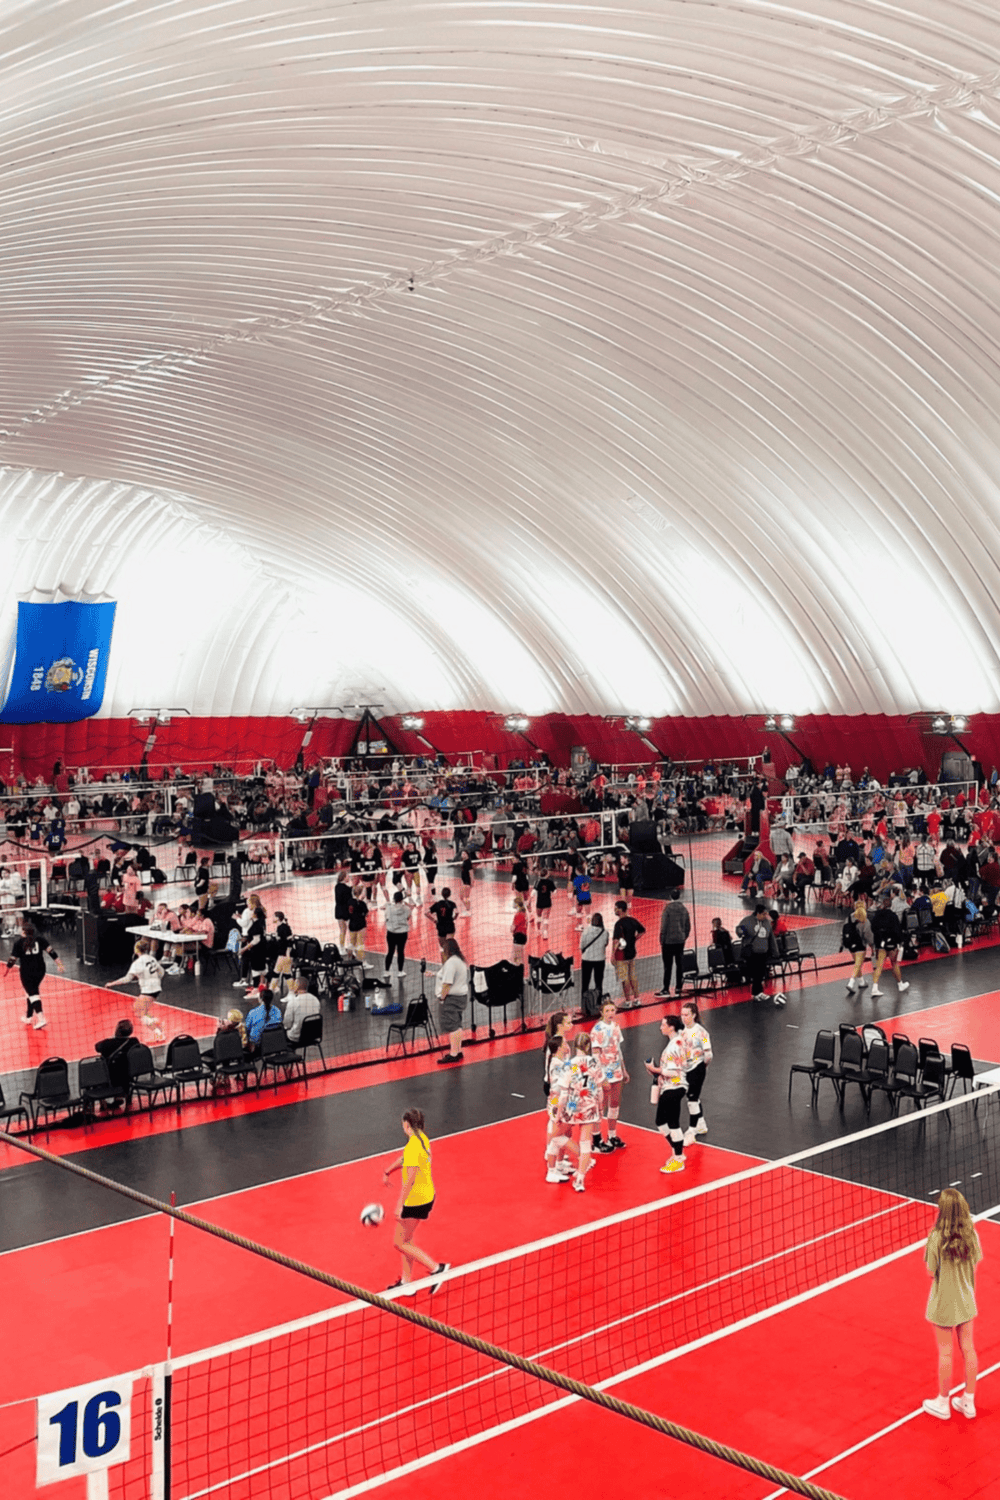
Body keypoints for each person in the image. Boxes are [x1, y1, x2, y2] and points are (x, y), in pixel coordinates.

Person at [922, 1188, 982, 1420]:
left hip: (944, 1303)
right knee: (968, 1349)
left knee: (945, 1354)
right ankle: (968, 1402)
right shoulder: (972, 1235)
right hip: (966, 1300)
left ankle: (943, 1403)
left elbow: (930, 1271)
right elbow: (974, 1264)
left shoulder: (936, 1237)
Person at [381, 1108, 449, 1294]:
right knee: (407, 1239)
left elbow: (409, 1179)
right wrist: (388, 1171)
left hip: (416, 1200)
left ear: (406, 1125)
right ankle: (407, 1282)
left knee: (400, 1242)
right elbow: (405, 1160)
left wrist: (399, 1205)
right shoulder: (422, 1139)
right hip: (427, 1195)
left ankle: (437, 1269)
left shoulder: (412, 1146)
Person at [557, 1031, 604, 1192]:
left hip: (572, 1107)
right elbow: (599, 1089)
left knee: (558, 1137)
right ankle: (580, 1180)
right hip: (590, 1106)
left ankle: (560, 1164)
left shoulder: (568, 1065)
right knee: (586, 1144)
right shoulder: (595, 1063)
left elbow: (562, 1095)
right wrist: (600, 1107)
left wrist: (558, 1114)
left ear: (574, 1045)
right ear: (589, 1045)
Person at [645, 1014, 688, 1173]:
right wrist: (655, 1072)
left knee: (672, 1122)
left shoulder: (678, 1043)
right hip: (670, 1086)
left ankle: (678, 1157)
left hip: (675, 1086)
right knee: (661, 1122)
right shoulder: (675, 1042)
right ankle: (677, 1152)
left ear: (671, 1027)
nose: (660, 1027)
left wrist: (655, 1069)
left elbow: (674, 1071)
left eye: (663, 1024)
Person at [6, 921, 64, 1030]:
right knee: (30, 992)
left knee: (33, 994)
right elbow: (52, 952)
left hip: (27, 972)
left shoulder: (18, 943)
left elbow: (12, 960)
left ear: (23, 931)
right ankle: (28, 1017)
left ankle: (41, 1018)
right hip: (40, 970)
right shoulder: (40, 939)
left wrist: (7, 969)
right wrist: (59, 964)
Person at [106, 937, 166, 1038]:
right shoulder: (152, 959)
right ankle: (156, 1023)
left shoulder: (137, 963)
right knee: (138, 1009)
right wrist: (155, 978)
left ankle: (159, 1032)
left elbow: (127, 979)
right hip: (156, 988)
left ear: (136, 950)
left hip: (148, 990)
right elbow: (162, 972)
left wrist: (112, 984)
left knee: (140, 1013)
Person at [591, 999, 629, 1152]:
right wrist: (602, 1078)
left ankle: (612, 1135)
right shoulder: (597, 1030)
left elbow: (618, 1050)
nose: (610, 1013)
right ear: (601, 1013)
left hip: (616, 1071)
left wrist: (624, 1070)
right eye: (607, 1011)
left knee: (614, 1104)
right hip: (603, 1073)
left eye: (612, 1010)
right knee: (601, 1106)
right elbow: (595, 1055)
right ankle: (596, 1139)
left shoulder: (616, 1027)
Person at [736, 904, 785, 1005]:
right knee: (756, 974)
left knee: (761, 973)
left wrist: (775, 952)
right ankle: (756, 993)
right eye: (763, 914)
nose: (765, 916)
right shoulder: (748, 920)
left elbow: (771, 938)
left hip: (763, 952)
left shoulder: (766, 922)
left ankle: (758, 993)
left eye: (766, 914)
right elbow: (739, 929)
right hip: (752, 953)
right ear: (757, 913)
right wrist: (742, 931)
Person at [543, 1033, 576, 1182]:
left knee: (565, 1132)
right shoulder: (557, 1063)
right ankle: (551, 1171)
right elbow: (572, 1073)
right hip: (558, 1103)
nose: (567, 1045)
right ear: (559, 1047)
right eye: (565, 1043)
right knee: (557, 1137)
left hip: (563, 1102)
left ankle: (559, 1163)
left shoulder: (560, 1061)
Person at [680, 1000, 712, 1143]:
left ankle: (691, 1131)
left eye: (686, 1015)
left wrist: (702, 1067)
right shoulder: (682, 1031)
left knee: (692, 1100)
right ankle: (701, 1123)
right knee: (691, 1097)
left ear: (693, 1015)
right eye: (682, 1014)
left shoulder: (701, 1032)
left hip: (697, 1068)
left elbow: (709, 1054)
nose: (683, 1017)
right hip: (686, 1069)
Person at [95, 1019, 141, 1109]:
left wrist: (114, 1037)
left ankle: (102, 1103)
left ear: (117, 1030)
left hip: (111, 1078)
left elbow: (97, 1047)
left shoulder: (108, 1044)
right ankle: (122, 1098)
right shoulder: (134, 1042)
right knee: (122, 1066)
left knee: (97, 1068)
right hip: (128, 1077)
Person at [436, 936, 468, 1063]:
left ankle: (453, 1054)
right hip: (462, 997)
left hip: (452, 999)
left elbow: (447, 984)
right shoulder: (460, 961)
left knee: (452, 1026)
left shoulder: (450, 963)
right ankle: (458, 1050)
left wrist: (442, 998)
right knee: (458, 1024)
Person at [870, 895, 910, 999]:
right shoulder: (893, 916)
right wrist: (899, 942)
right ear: (891, 905)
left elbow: (873, 928)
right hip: (892, 944)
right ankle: (900, 984)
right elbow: (897, 930)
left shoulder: (876, 915)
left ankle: (874, 988)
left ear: (882, 905)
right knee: (894, 964)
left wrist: (877, 941)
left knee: (879, 966)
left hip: (880, 944)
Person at [656, 888, 690, 997]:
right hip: (680, 941)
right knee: (679, 965)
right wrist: (683, 937)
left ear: (670, 896)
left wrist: (662, 938)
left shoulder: (668, 909)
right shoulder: (684, 909)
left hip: (668, 942)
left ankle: (666, 989)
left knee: (668, 966)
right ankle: (678, 988)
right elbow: (688, 926)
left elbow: (664, 926)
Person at [611, 899, 645, 1009]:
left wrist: (612, 955)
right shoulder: (632, 920)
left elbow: (616, 941)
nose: (614, 910)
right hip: (632, 953)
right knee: (632, 976)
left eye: (616, 908)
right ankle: (637, 999)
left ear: (621, 910)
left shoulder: (618, 924)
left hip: (622, 955)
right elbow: (642, 931)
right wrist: (635, 939)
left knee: (624, 978)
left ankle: (627, 1001)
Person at [579, 911, 609, 1017]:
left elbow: (581, 945)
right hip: (600, 960)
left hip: (587, 959)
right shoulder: (605, 932)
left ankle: (584, 1007)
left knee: (585, 983)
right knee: (598, 983)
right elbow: (606, 943)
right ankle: (598, 1004)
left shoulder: (586, 931)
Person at [842, 900, 873, 993]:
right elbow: (868, 936)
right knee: (858, 965)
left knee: (857, 964)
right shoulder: (865, 920)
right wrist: (872, 946)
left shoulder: (848, 918)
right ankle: (851, 983)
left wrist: (842, 944)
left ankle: (862, 982)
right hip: (860, 945)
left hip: (850, 945)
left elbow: (843, 932)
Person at [282, 976, 316, 1047]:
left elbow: (287, 1024)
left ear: (297, 986)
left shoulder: (293, 1002)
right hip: (313, 1035)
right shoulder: (315, 999)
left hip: (297, 1037)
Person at [384, 889, 410, 978]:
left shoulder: (389, 908)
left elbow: (386, 918)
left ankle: (386, 972)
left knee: (390, 952)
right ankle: (400, 971)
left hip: (391, 933)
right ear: (402, 899)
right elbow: (408, 918)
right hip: (402, 933)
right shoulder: (406, 908)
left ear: (394, 899)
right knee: (401, 952)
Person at [427, 886, 457, 964]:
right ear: (450, 894)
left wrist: (434, 920)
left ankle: (444, 965)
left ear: (441, 894)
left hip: (441, 927)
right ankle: (451, 963)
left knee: (442, 948)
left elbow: (426, 912)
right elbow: (457, 912)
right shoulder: (452, 904)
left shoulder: (437, 904)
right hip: (450, 927)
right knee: (449, 946)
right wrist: (454, 918)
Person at [534, 872, 556, 940]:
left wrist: (529, 901)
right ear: (547, 875)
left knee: (539, 916)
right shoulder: (550, 882)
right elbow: (555, 891)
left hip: (539, 902)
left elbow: (533, 892)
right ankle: (545, 933)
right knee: (546, 918)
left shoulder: (537, 881)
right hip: (547, 902)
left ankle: (538, 930)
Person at [510, 893, 528, 964]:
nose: (512, 904)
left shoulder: (518, 914)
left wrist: (511, 929)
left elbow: (513, 927)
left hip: (518, 936)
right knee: (520, 956)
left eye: (513, 903)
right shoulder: (524, 913)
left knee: (515, 956)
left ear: (516, 904)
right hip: (524, 936)